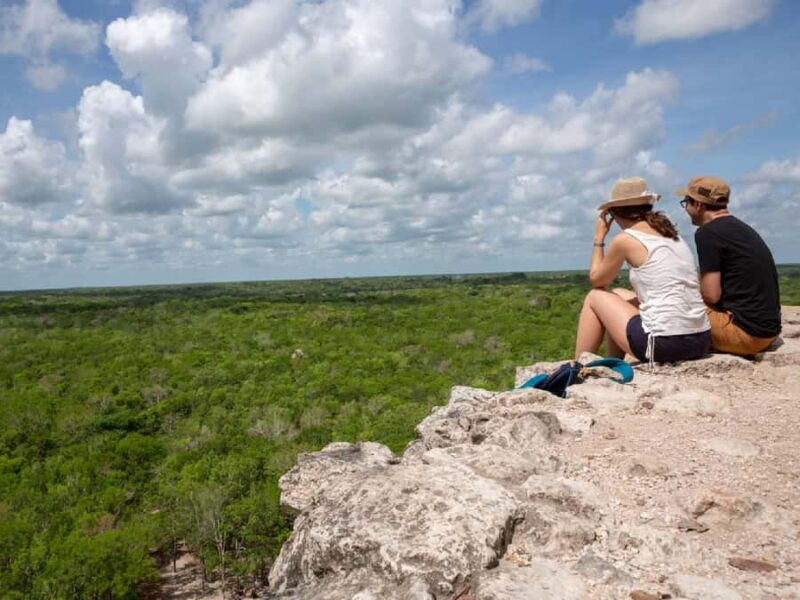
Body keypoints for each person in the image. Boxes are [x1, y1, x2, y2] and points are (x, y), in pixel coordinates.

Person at [574, 177, 710, 364]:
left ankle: (578, 368)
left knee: (595, 296)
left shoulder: (626, 239)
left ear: (614, 213)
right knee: (617, 294)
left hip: (664, 344)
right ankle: (613, 363)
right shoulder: (672, 235)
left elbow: (597, 280)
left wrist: (599, 238)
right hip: (700, 340)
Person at [676, 176, 781, 355]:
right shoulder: (743, 229)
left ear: (699, 205)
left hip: (745, 335)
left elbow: (711, 295)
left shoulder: (708, 233)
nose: (686, 208)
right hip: (769, 332)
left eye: (686, 202)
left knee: (663, 304)